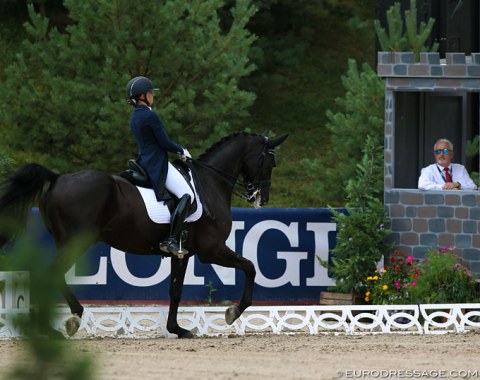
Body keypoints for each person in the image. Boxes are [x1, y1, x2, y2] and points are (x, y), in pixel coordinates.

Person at [126, 76, 194, 256]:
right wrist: (182, 151)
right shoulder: (150, 115)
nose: (152, 96)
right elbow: (164, 143)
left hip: (144, 161)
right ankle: (171, 239)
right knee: (186, 195)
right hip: (157, 163)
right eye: (150, 93)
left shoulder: (135, 116)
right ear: (143, 96)